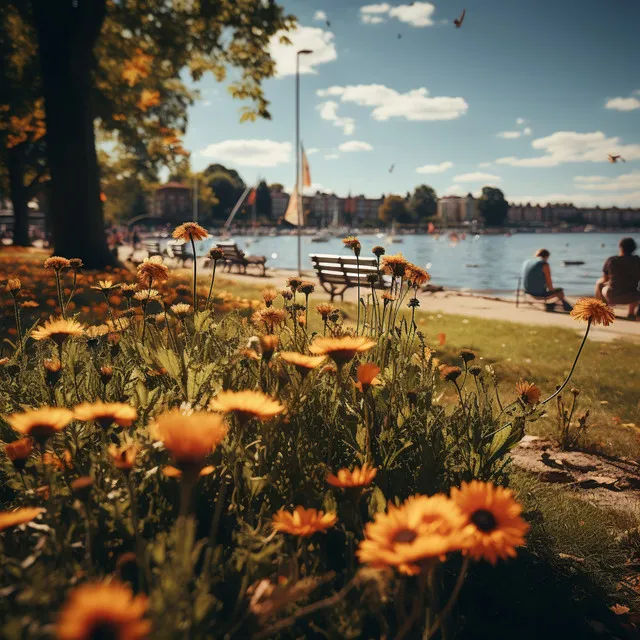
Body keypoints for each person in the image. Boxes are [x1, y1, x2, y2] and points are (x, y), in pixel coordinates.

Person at [595, 237, 640, 320]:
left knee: (599, 283)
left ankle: (603, 310)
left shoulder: (612, 260)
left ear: (620, 247)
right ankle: (631, 313)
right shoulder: (637, 260)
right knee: (634, 288)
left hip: (612, 296)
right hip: (633, 297)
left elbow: (605, 279)